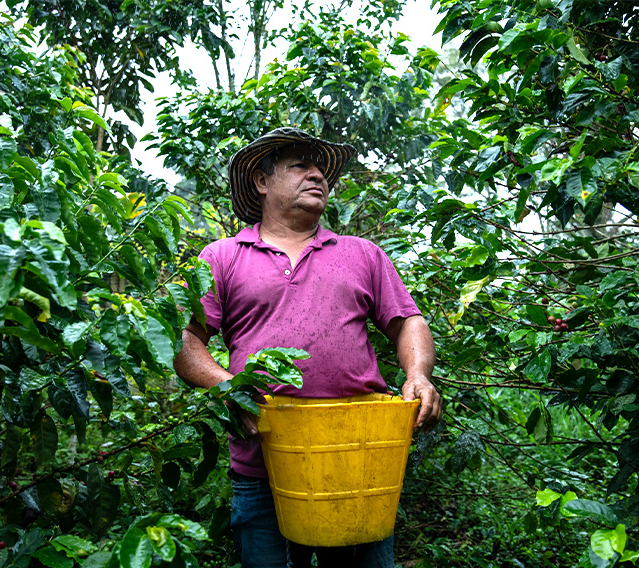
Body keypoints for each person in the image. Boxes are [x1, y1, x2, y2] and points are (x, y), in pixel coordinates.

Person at [173, 127, 442, 568]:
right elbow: (186, 342)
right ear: (262, 182)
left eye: (321, 169)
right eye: (300, 165)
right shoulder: (222, 257)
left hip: (358, 457)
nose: (317, 174)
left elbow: (407, 321)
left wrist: (418, 375)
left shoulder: (362, 254)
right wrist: (228, 388)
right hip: (264, 465)